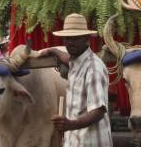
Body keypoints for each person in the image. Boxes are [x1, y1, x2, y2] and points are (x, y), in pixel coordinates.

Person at [38, 13, 113, 147]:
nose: (69, 42)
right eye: (67, 38)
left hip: (91, 142)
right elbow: (67, 58)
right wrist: (54, 51)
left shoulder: (93, 68)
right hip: (75, 141)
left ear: (86, 39)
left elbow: (99, 111)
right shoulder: (76, 61)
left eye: (75, 38)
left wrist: (70, 124)